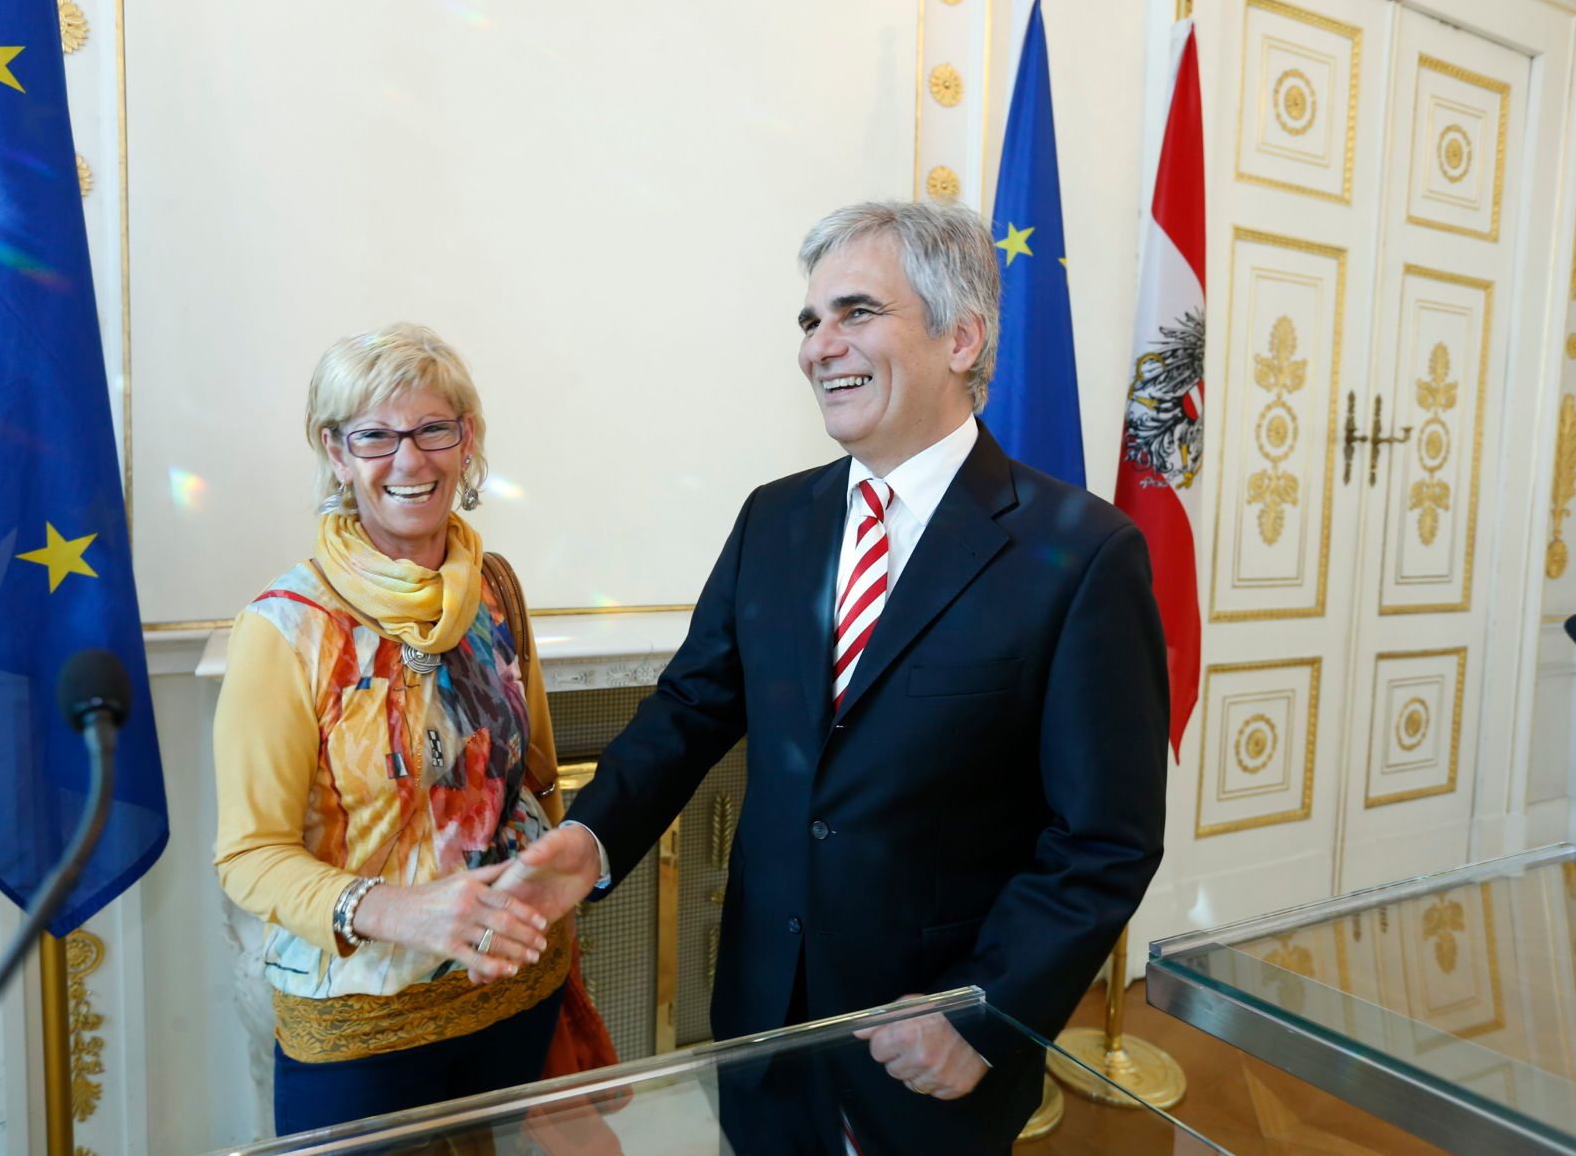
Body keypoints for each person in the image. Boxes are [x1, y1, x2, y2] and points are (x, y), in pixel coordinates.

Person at [499, 201, 1170, 1152]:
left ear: (961, 335)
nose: (820, 345)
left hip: (931, 1047)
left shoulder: (1083, 551)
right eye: (809, 321)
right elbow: (691, 706)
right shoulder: (774, 520)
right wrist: (592, 835)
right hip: (763, 1027)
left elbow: (1105, 837)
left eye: (856, 312)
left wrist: (984, 1013)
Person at [213, 324, 570, 1136]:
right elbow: (248, 856)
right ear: (337, 454)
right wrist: (401, 908)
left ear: (464, 441)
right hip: (360, 1022)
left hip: (514, 990)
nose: (408, 460)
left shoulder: (494, 587)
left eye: (432, 428)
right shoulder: (285, 628)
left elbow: (537, 778)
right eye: (374, 434)